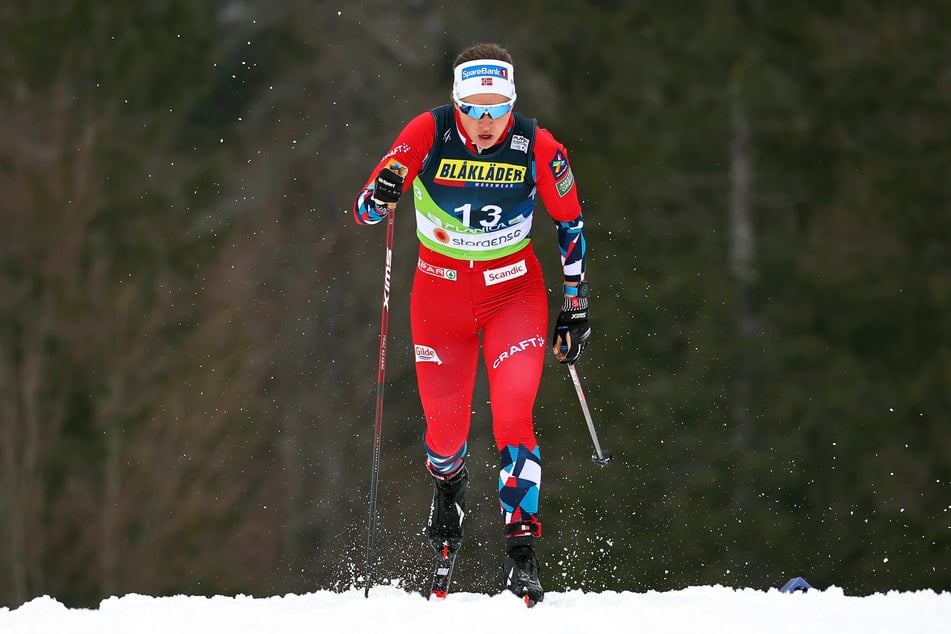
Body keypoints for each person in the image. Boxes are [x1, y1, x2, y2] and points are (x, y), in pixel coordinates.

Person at [353, 42, 590, 605]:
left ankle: (522, 553)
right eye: (472, 109)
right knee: (445, 435)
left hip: (515, 295)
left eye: (496, 109)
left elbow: (570, 221)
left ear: (512, 103)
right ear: (455, 103)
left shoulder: (537, 145)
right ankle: (449, 487)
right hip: (440, 298)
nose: (484, 123)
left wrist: (576, 305)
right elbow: (366, 208)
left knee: (513, 415)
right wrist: (382, 193)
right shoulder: (427, 133)